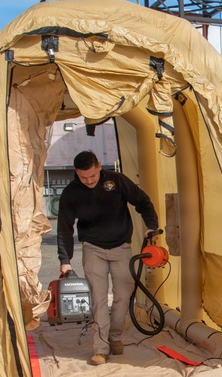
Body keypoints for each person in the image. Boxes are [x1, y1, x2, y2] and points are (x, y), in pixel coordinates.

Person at [57, 151, 160, 365]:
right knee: (98, 299)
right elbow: (64, 228)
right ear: (77, 172)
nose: (89, 181)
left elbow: (142, 201)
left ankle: (115, 337)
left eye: (92, 176)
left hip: (121, 246)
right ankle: (101, 348)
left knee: (123, 295)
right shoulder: (71, 193)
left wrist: (151, 226)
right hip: (92, 248)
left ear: (98, 167)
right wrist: (65, 260)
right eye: (83, 177)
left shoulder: (117, 181)